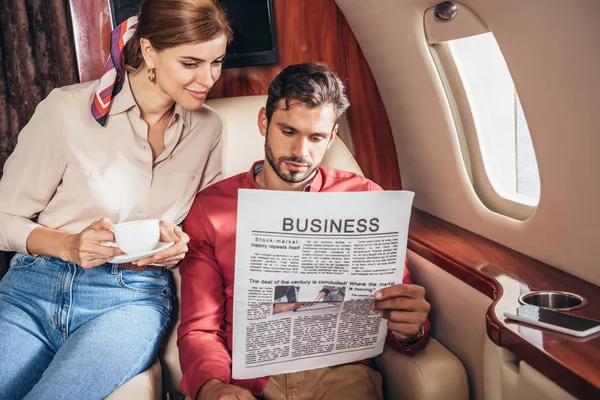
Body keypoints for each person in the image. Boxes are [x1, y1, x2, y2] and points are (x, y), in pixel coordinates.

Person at [0, 0, 232, 398]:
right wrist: (69, 245)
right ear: (148, 52)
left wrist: (176, 244)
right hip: (33, 290)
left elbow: (199, 230)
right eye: (191, 63)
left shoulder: (208, 128)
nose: (207, 78)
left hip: (130, 300)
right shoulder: (66, 110)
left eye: (217, 62)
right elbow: (4, 216)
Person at [177, 63, 432, 400]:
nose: (300, 152)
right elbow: (200, 325)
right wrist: (212, 386)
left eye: (316, 137)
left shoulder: (367, 198)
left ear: (333, 136)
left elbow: (398, 309)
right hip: (247, 381)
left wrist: (412, 330)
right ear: (263, 123)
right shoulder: (211, 208)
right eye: (288, 131)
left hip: (340, 377)